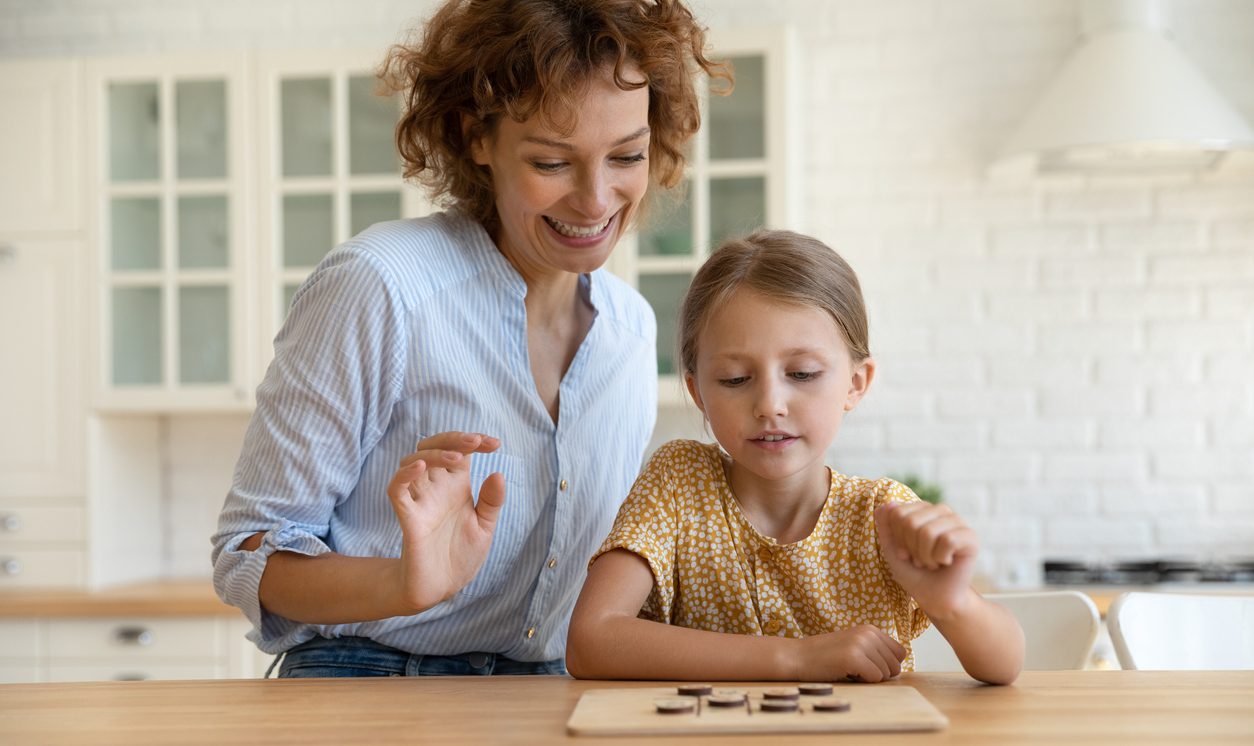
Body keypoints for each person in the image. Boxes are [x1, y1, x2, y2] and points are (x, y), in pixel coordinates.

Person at [211, 0, 729, 678]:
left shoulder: (631, 331)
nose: (597, 200)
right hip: (368, 679)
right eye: (552, 162)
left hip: (550, 691)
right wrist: (402, 582)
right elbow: (249, 550)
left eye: (627, 155)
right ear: (476, 138)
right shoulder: (384, 286)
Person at [565, 230, 1025, 685]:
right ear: (698, 392)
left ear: (856, 383)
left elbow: (1005, 666)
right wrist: (796, 659)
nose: (770, 404)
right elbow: (590, 640)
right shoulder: (679, 485)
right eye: (734, 379)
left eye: (802, 373)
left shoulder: (880, 515)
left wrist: (953, 603)